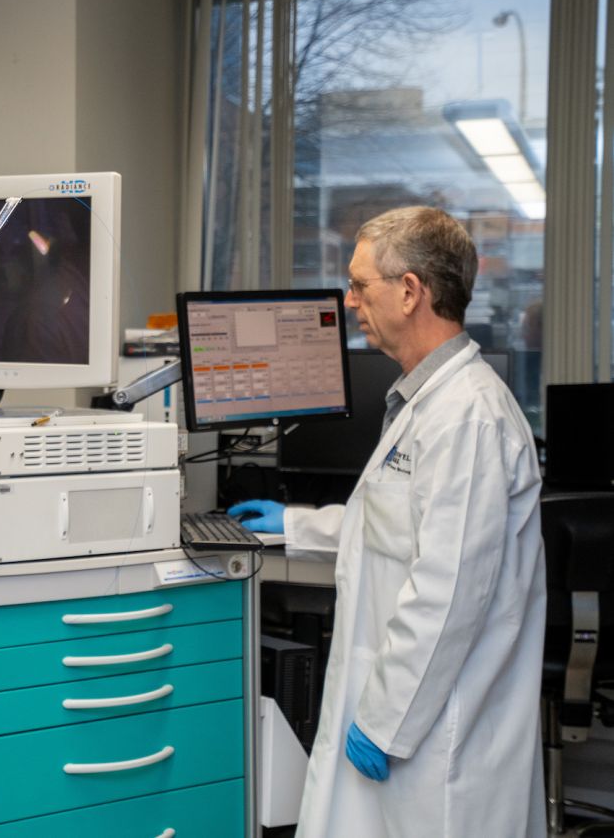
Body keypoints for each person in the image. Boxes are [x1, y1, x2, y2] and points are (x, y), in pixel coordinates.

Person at [231, 207, 545, 837]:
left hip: (437, 739)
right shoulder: (424, 401)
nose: (348, 302)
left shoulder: (468, 417)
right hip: (407, 717)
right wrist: (294, 525)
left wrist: (382, 723)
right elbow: (394, 526)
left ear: (409, 292)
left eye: (359, 285)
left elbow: (447, 591)